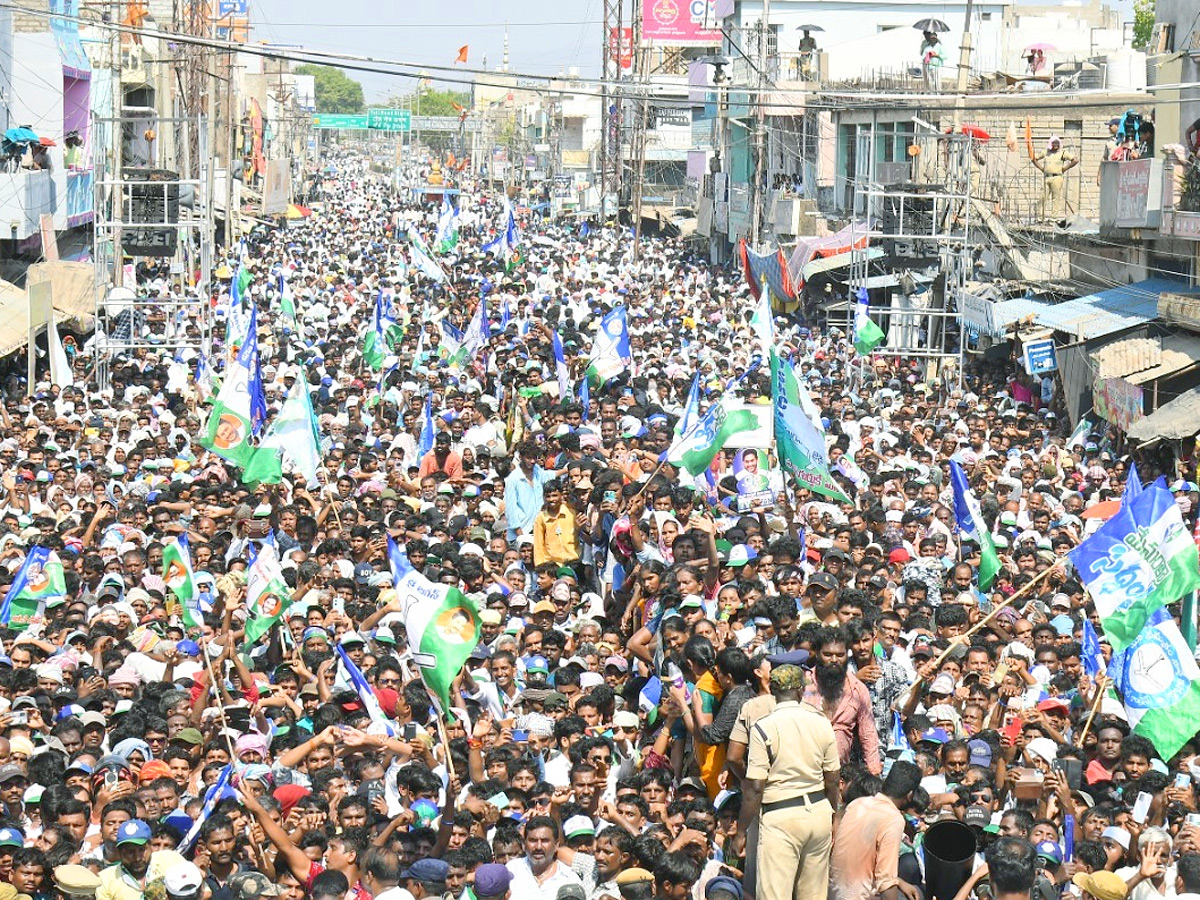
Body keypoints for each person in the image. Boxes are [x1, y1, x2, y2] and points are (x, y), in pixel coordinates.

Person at [737, 663, 840, 900]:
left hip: (780, 817)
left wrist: (741, 832)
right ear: (800, 691)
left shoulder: (764, 727)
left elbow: (754, 788)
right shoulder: (821, 722)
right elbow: (833, 780)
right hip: (817, 813)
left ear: (773, 691)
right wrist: (833, 815)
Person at [830, 761, 921, 900]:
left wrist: (900, 882)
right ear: (909, 795)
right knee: (918, 893)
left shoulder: (857, 804)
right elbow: (885, 882)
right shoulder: (893, 819)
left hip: (834, 893)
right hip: (860, 896)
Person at [1032, 136, 1078, 226]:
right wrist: (1042, 168)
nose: (1056, 145)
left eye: (1057, 143)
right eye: (1054, 143)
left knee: (1055, 198)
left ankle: (1054, 218)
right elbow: (1034, 159)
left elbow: (1075, 160)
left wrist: (1065, 168)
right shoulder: (1046, 152)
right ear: (1050, 144)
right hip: (1047, 177)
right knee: (1042, 197)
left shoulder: (1062, 153)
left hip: (1057, 177)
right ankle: (1040, 218)